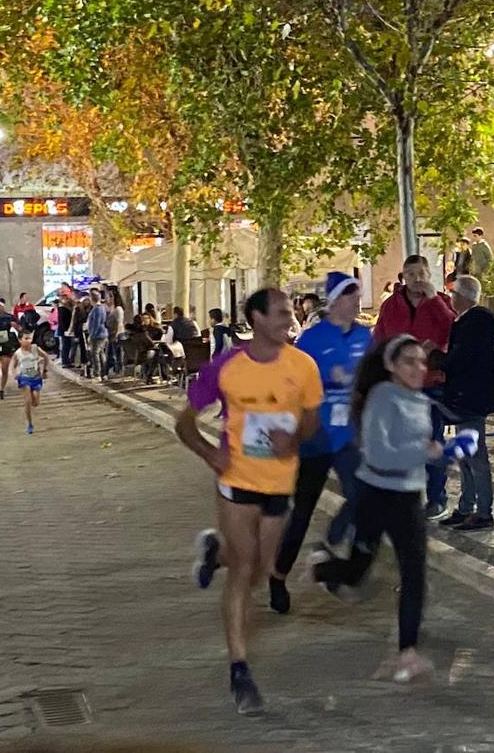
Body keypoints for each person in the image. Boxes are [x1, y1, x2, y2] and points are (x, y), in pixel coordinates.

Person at [175, 288, 322, 715]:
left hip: (280, 485)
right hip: (237, 481)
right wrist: (210, 453)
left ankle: (214, 549)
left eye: (291, 311)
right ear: (256, 318)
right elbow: (183, 421)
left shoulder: (303, 365)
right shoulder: (228, 367)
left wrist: (293, 438)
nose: (289, 318)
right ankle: (240, 670)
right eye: (280, 312)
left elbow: (311, 419)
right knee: (243, 572)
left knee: (262, 569)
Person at [310, 334, 438, 684]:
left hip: (409, 496)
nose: (418, 368)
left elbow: (416, 448)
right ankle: (323, 567)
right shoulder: (381, 398)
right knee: (356, 571)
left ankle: (407, 653)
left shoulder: (421, 402)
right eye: (409, 361)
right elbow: (380, 454)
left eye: (421, 362)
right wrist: (424, 453)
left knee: (415, 575)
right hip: (376, 493)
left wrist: (446, 451)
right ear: (391, 366)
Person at [270, 272, 372, 614]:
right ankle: (278, 577)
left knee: (362, 497)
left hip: (349, 436)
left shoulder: (363, 335)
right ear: (335, 301)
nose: (357, 302)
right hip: (316, 435)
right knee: (301, 511)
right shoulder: (313, 340)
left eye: (358, 296)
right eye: (351, 296)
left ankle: (331, 554)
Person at [372, 254, 456, 520]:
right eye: (411, 274)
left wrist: (433, 301)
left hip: (431, 383)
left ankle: (437, 498)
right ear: (403, 277)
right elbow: (379, 341)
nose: (417, 279)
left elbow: (453, 328)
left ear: (429, 275)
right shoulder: (391, 306)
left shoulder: (441, 302)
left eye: (421, 273)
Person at [436, 275, 494, 530]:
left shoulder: (474, 322)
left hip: (470, 398)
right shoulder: (478, 321)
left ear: (461, 297)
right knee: (466, 455)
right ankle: (467, 505)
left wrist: (435, 357)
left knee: (474, 456)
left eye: (453, 295)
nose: (451, 299)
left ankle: (482, 510)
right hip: (469, 397)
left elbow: (460, 360)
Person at [11, 331, 50, 434]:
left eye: (30, 338)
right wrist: (15, 374)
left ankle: (33, 401)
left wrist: (45, 370)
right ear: (20, 340)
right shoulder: (18, 353)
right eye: (26, 338)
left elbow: (46, 357)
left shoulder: (35, 349)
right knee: (27, 401)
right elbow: (13, 366)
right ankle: (29, 423)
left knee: (35, 402)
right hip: (24, 378)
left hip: (36, 378)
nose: (29, 341)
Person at [85, 290, 110, 380]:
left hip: (98, 335)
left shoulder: (97, 309)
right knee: (100, 353)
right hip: (101, 334)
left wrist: (91, 335)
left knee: (95, 354)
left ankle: (98, 373)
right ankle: (103, 373)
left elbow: (96, 323)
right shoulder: (101, 308)